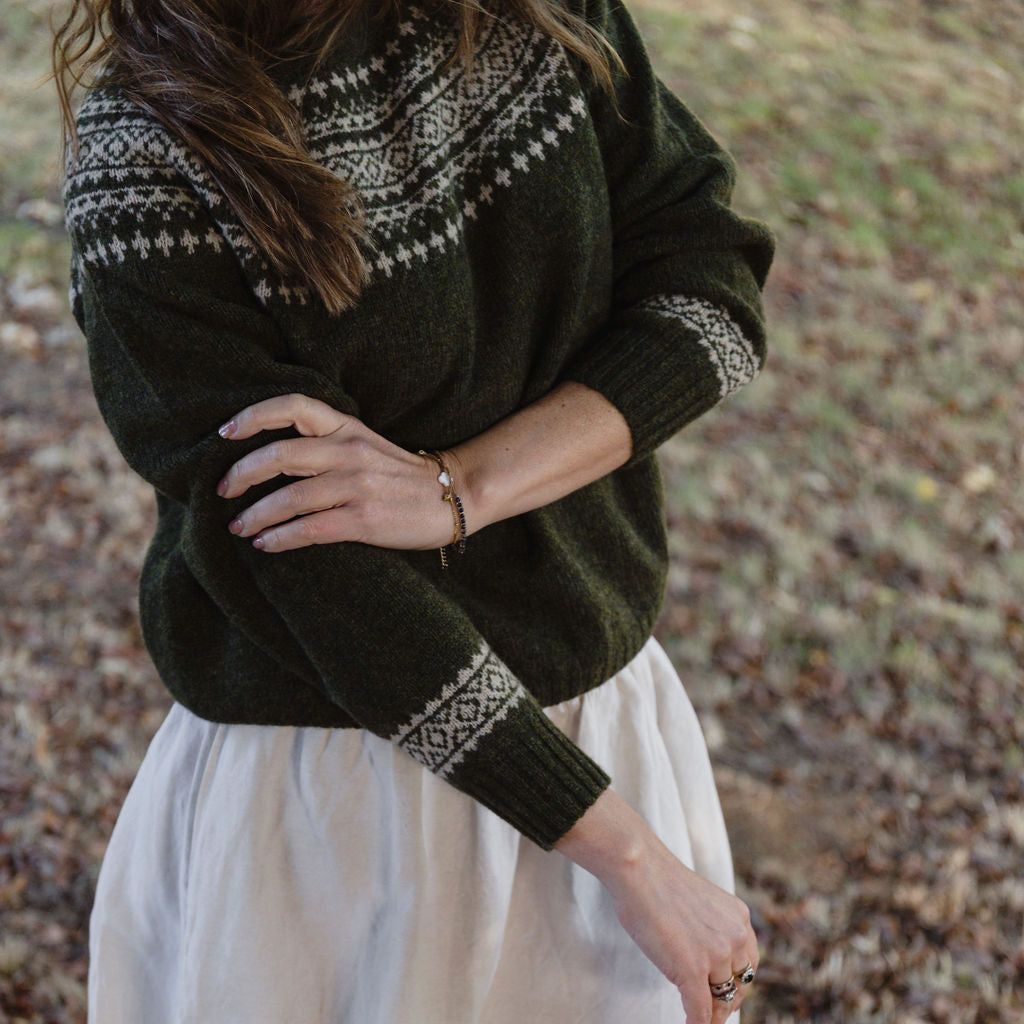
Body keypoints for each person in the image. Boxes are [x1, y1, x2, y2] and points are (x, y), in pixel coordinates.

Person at [53, 0, 774, 1020]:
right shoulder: (150, 155)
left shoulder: (538, 18)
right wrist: (628, 855)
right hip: (341, 802)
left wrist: (461, 487)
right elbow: (308, 572)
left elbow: (713, 286)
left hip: (602, 719)